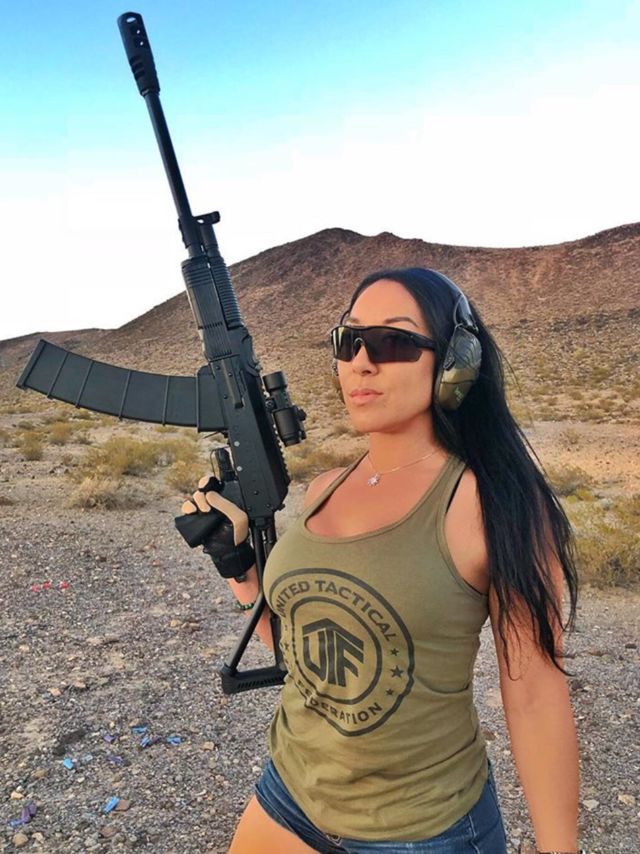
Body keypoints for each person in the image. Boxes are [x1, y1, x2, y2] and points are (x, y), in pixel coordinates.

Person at [180, 268, 584, 854]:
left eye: (392, 341)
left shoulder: (494, 504)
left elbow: (536, 699)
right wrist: (239, 567)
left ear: (455, 363)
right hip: (290, 792)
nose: (361, 363)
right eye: (349, 341)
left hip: (421, 829)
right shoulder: (325, 488)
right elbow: (310, 653)